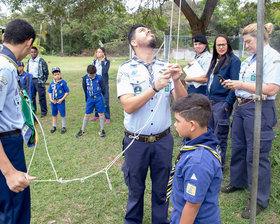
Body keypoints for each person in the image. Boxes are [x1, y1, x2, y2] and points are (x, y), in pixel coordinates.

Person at [117, 24, 187, 224]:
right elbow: (128, 106)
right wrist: (155, 87)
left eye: (149, 30)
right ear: (134, 42)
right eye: (142, 31)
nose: (149, 31)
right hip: (135, 143)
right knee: (135, 191)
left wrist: (177, 80)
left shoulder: (166, 66)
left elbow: (182, 104)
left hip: (162, 141)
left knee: (161, 191)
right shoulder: (126, 70)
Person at [221, 23, 280, 218]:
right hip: (242, 106)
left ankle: (259, 199)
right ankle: (238, 182)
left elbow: (271, 88)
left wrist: (240, 84)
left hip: (260, 108)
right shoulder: (250, 60)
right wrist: (234, 86)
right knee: (238, 147)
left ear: (261, 38)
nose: (246, 45)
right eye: (245, 42)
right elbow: (247, 84)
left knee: (257, 154)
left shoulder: (272, 58)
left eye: (249, 41)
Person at [0, 18, 36, 224]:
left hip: (8, 143)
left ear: (4, 37)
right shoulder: (5, 68)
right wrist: (10, 171)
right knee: (14, 210)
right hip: (6, 146)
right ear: (29, 42)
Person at [169, 94, 222, 224]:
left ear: (192, 125)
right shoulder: (203, 137)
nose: (174, 124)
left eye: (177, 120)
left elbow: (192, 206)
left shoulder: (198, 162)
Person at [206, 34, 241, 170]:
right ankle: (211, 161)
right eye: (218, 45)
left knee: (219, 135)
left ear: (228, 45)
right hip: (210, 102)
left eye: (223, 44)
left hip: (222, 103)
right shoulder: (215, 60)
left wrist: (227, 103)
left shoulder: (234, 61)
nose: (220, 47)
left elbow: (235, 84)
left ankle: (219, 164)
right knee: (209, 133)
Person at [76, 65, 106, 138]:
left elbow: (103, 88)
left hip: (98, 98)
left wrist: (101, 97)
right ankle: (82, 130)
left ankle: (102, 130)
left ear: (95, 73)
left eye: (93, 75)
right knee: (87, 114)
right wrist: (87, 98)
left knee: (101, 114)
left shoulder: (99, 78)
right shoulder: (85, 78)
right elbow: (84, 88)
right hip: (90, 99)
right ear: (88, 73)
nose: (91, 76)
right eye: (90, 74)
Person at [27, 46, 49, 118]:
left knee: (41, 96)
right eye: (32, 52)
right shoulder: (29, 61)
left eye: (35, 52)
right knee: (32, 96)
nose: (33, 53)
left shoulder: (41, 61)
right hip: (31, 80)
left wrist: (43, 80)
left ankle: (44, 111)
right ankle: (33, 111)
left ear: (37, 52)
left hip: (39, 80)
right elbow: (28, 70)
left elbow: (46, 72)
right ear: (30, 53)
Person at [91, 47, 111, 124]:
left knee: (105, 100)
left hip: (104, 83)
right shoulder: (94, 62)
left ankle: (107, 117)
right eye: (97, 52)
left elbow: (105, 71)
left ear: (103, 53)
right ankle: (97, 115)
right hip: (95, 83)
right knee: (96, 99)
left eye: (100, 52)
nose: (98, 53)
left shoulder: (106, 62)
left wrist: (102, 62)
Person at [48, 67, 70, 134]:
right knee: (54, 114)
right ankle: (54, 126)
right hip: (53, 102)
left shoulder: (63, 83)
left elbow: (67, 91)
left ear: (60, 74)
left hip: (60, 101)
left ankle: (63, 127)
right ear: (53, 75)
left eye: (58, 74)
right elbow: (50, 92)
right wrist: (51, 99)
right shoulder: (52, 83)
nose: (57, 76)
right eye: (55, 75)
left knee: (62, 114)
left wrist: (62, 99)